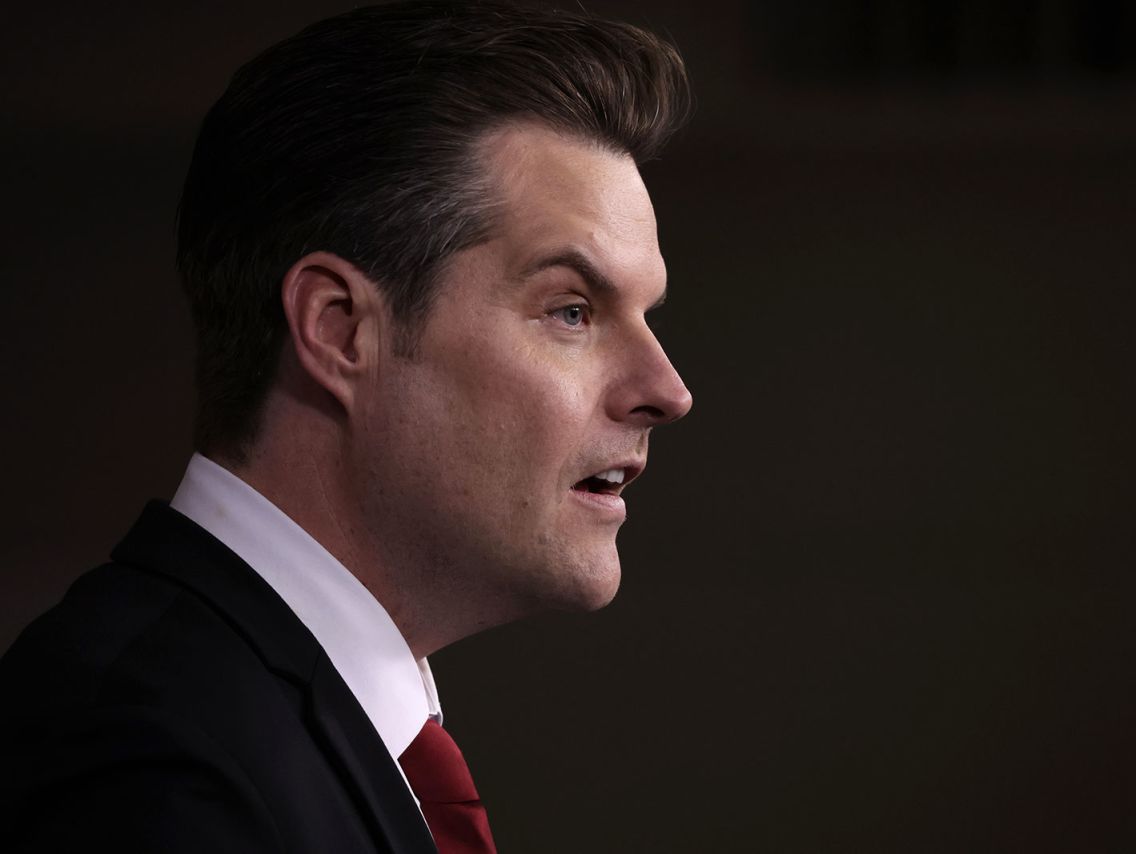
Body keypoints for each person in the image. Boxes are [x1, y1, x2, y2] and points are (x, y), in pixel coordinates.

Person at [0, 2, 693, 851]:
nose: (667, 389)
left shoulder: (271, 722)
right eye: (573, 310)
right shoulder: (140, 762)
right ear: (338, 330)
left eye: (646, 314)